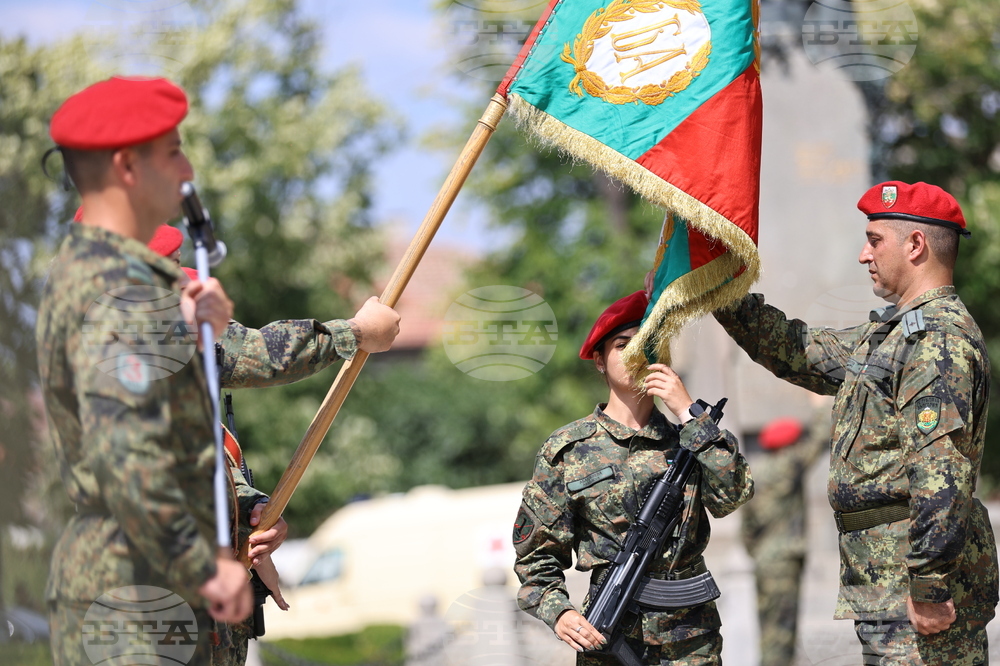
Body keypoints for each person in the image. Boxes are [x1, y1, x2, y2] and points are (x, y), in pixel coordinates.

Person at [714, 181, 998, 664]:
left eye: (874, 240)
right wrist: (719, 288)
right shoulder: (892, 336)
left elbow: (940, 475)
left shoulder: (935, 342)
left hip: (912, 592)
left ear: (915, 245)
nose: (863, 255)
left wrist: (929, 583)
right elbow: (797, 349)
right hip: (883, 583)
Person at [37, 77, 251, 665]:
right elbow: (123, 449)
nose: (187, 169)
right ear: (129, 166)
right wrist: (202, 564)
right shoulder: (121, 289)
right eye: (174, 151)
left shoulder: (92, 272)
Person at [512, 291, 754, 665]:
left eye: (648, 345)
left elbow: (733, 495)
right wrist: (559, 611)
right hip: (610, 635)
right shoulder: (568, 450)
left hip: (690, 642)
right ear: (599, 361)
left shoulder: (690, 438)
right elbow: (537, 558)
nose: (636, 355)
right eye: (623, 345)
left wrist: (690, 415)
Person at [740, 407, 830, 666]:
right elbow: (821, 436)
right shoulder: (787, 465)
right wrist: (819, 405)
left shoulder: (755, 473)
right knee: (782, 632)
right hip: (784, 559)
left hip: (764, 559)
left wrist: (757, 552)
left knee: (768, 628)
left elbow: (747, 528)